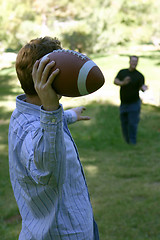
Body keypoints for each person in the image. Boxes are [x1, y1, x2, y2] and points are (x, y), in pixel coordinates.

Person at [8, 36, 99, 240]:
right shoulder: (33, 126)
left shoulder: (27, 113)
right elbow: (48, 172)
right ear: (46, 75)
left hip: (78, 221)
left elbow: (44, 125)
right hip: (62, 232)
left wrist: (68, 115)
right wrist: (51, 109)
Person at [114, 55, 148, 144]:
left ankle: (133, 142)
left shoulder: (140, 75)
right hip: (124, 103)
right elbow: (115, 81)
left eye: (136, 61)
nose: (134, 63)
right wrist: (123, 82)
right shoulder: (123, 72)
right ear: (129, 62)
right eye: (132, 61)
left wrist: (144, 88)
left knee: (132, 123)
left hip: (134, 103)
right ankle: (126, 141)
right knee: (124, 123)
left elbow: (141, 87)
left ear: (137, 63)